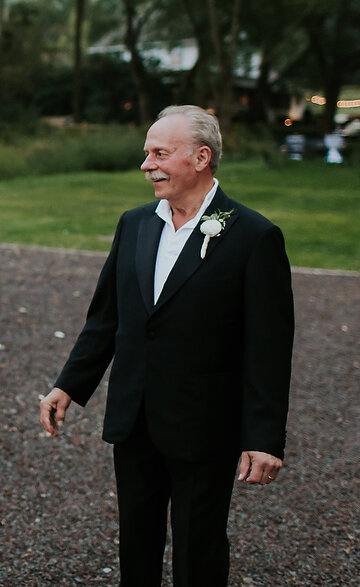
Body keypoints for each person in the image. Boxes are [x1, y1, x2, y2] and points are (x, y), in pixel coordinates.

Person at [39, 105, 294, 587]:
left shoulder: (254, 236)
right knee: (136, 544)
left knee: (199, 548)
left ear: (201, 157)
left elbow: (270, 347)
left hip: (205, 424)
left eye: (160, 153)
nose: (147, 164)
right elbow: (107, 318)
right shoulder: (134, 224)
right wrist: (69, 385)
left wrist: (263, 438)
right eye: (146, 153)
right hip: (134, 418)